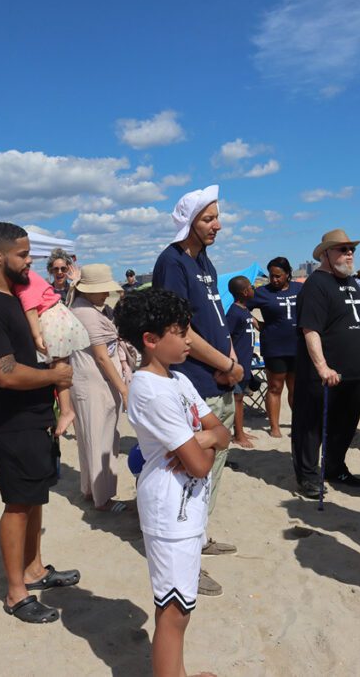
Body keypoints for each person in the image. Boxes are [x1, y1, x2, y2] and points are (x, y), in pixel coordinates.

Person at [0, 222, 79, 624]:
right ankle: (16, 594)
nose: (31, 261)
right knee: (17, 505)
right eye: (24, 255)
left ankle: (34, 570)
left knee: (35, 498)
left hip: (33, 416)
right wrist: (55, 377)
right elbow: (5, 373)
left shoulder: (13, 297)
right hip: (11, 422)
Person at [115, 288, 229, 677]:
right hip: (169, 509)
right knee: (175, 607)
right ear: (150, 339)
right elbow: (199, 465)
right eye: (180, 332)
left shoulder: (178, 380)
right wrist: (203, 444)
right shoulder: (149, 390)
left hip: (187, 505)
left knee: (180, 602)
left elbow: (221, 432)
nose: (188, 340)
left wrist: (202, 441)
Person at [151, 184, 242, 595]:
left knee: (213, 474)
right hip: (196, 381)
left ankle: (200, 539)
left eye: (217, 217)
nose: (217, 225)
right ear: (188, 222)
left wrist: (233, 358)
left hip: (219, 378)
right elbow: (179, 327)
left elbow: (217, 317)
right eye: (208, 219)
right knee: (191, 476)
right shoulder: (172, 263)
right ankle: (186, 562)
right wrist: (224, 364)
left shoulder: (205, 262)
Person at [292, 229, 360, 499]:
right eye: (342, 249)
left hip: (355, 372)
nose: (349, 254)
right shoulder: (316, 285)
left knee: (346, 424)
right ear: (326, 253)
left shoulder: (351, 284)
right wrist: (322, 366)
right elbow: (310, 329)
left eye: (351, 249)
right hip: (324, 374)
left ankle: (335, 467)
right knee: (311, 427)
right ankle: (308, 476)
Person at [69, 264, 133, 512]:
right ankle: (102, 498)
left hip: (99, 382)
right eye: (102, 290)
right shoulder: (87, 314)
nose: (107, 294)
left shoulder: (95, 310)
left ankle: (91, 490)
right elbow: (102, 357)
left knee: (93, 438)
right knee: (100, 439)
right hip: (95, 382)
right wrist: (124, 390)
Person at [14, 268, 90, 436]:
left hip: (51, 318)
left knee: (59, 365)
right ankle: (64, 410)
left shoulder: (23, 278)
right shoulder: (26, 275)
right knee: (58, 364)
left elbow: (31, 308)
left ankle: (66, 410)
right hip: (55, 315)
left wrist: (36, 335)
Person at [247, 257, 303, 438]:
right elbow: (241, 306)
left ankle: (298, 425)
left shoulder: (299, 289)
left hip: (298, 346)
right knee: (275, 387)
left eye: (278, 276)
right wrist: (257, 323)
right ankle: (274, 427)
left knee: (296, 389)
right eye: (271, 276)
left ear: (288, 274)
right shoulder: (262, 292)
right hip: (274, 346)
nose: (274, 280)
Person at [226, 276, 257, 448]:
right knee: (237, 398)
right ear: (245, 292)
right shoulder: (234, 312)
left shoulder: (244, 310)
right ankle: (238, 435)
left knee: (241, 397)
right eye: (251, 287)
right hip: (238, 363)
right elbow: (227, 336)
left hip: (246, 362)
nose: (254, 289)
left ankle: (241, 431)